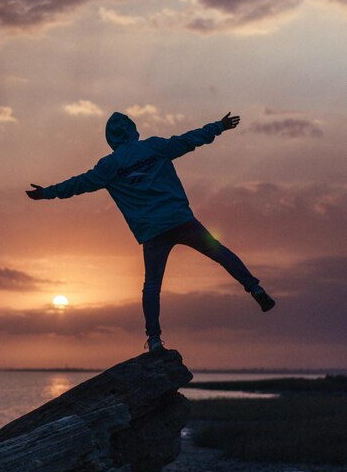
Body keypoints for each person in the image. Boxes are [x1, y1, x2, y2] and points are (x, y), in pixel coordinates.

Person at [26, 111, 275, 353]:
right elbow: (188, 140)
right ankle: (255, 288)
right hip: (180, 219)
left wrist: (46, 193)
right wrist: (218, 127)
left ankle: (154, 339)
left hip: (153, 232)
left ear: (110, 139)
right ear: (134, 130)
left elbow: (77, 184)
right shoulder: (154, 147)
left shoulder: (108, 166)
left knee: (152, 285)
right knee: (219, 252)